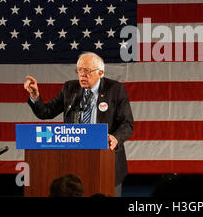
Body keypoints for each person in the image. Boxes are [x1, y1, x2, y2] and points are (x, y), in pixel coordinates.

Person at [24, 52, 134, 197]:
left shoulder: (115, 89)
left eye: (87, 71)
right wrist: (35, 96)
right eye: (79, 70)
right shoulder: (70, 88)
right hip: (73, 156)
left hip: (106, 158)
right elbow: (46, 112)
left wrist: (116, 138)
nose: (82, 75)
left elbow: (127, 123)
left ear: (100, 72)